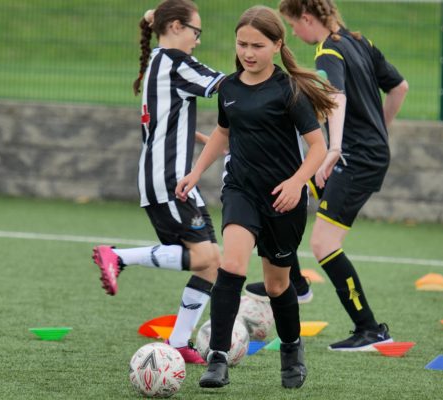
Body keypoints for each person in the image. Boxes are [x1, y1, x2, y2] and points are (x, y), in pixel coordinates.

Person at [176, 5, 335, 389]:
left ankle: (292, 350)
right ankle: (217, 359)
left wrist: (298, 182)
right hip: (241, 191)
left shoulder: (290, 90)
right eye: (242, 44)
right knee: (230, 266)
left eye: (257, 45)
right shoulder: (228, 87)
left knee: (278, 285)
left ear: (278, 46)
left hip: (283, 199)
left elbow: (317, 146)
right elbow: (223, 133)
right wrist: (197, 171)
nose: (248, 52)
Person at [91, 0, 223, 365]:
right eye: (196, 32)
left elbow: (168, 119)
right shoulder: (175, 62)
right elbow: (224, 86)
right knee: (206, 256)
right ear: (177, 27)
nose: (197, 41)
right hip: (168, 180)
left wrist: (198, 138)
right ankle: (116, 256)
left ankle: (180, 341)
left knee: (210, 264)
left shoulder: (159, 61)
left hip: (172, 179)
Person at [278, 0, 408, 351]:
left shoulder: (328, 52)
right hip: (364, 152)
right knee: (285, 194)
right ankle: (295, 283)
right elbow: (400, 87)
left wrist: (335, 148)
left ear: (306, 18)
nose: (293, 32)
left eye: (293, 25)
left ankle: (370, 329)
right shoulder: (358, 40)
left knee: (323, 243)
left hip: (354, 157)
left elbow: (335, 96)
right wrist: (379, 130)